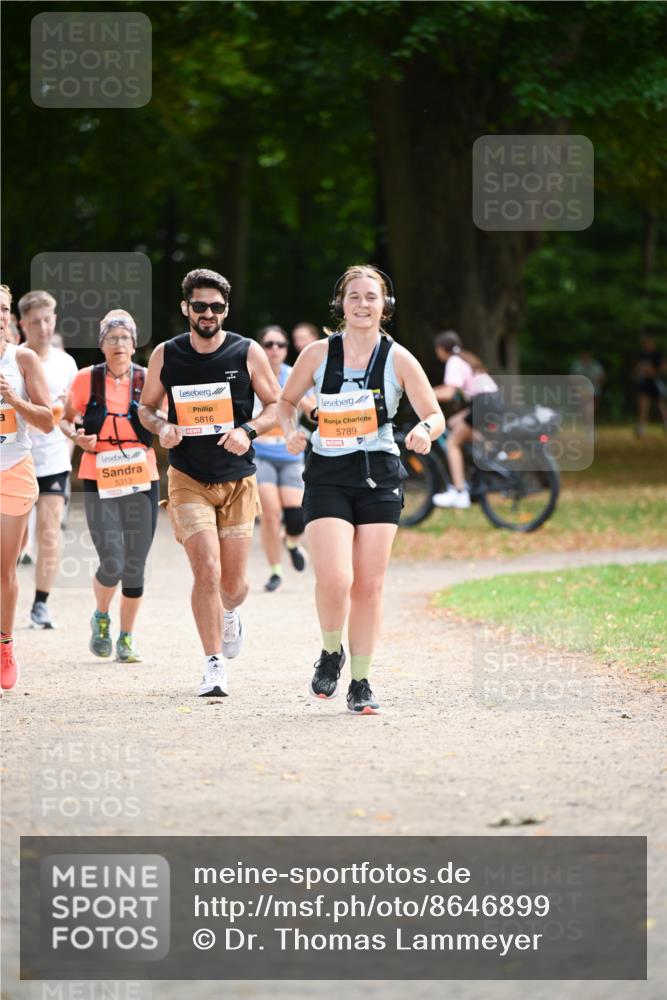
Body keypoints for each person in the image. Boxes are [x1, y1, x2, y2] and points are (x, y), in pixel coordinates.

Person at [277, 264, 444, 715]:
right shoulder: (317, 353)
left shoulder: (399, 358)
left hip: (379, 475)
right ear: (341, 303)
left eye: (372, 296)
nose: (363, 304)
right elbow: (286, 402)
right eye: (354, 296)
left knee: (369, 586)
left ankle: (361, 681)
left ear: (384, 305)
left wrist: (424, 431)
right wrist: (291, 430)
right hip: (328, 473)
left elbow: (434, 414)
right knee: (335, 579)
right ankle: (331, 651)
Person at [139, 268, 280, 697]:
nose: (208, 313)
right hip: (188, 477)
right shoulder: (166, 353)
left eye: (216, 307)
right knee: (206, 571)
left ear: (226, 310)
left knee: (232, 587)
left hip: (237, 479)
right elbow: (146, 408)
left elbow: (276, 406)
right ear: (186, 307)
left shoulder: (247, 350)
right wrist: (162, 426)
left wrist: (248, 431)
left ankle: (231, 612)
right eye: (199, 306)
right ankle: (213, 664)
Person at [62, 309, 159, 663]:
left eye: (125, 337)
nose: (119, 343)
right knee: (113, 561)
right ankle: (101, 616)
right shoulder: (85, 378)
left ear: (134, 344)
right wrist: (77, 436)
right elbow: (64, 418)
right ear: (102, 345)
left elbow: (165, 416)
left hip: (141, 476)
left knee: (135, 564)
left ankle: (127, 637)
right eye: (112, 338)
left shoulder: (148, 379)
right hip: (98, 473)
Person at [0, 284, 54, 692]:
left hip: (13, 469)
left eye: (3, 309)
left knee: (4, 568)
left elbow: (48, 421)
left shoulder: (22, 359)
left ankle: (4, 646)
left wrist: (12, 400)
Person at [17, 290, 78, 628]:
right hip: (17, 460)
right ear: (22, 324)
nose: (43, 327)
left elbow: (70, 416)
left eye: (48, 320)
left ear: (55, 320)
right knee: (16, 542)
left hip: (54, 461)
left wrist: (74, 435)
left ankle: (40, 605)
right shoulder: (13, 359)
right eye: (36, 321)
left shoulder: (66, 363)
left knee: (49, 534)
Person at [253, 325, 315, 591]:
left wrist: (322, 414)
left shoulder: (293, 375)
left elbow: (310, 407)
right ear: (260, 348)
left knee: (296, 518)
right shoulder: (251, 375)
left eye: (280, 344)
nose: (275, 349)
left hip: (289, 453)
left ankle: (291, 542)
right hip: (260, 453)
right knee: (271, 515)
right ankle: (275, 571)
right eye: (269, 344)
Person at [431, 330, 498, 509]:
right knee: (453, 422)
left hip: (482, 402)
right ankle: (490, 449)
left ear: (441, 349)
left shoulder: (454, 362)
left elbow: (448, 393)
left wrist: (423, 394)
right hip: (490, 400)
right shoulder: (466, 358)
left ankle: (460, 492)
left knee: (452, 443)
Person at [633, 335, 667, 437]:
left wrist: (653, 372)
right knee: (643, 405)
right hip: (645, 383)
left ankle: (665, 423)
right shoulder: (642, 355)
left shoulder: (657, 355)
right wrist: (636, 373)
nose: (647, 345)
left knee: (661, 404)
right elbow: (637, 368)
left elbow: (664, 368)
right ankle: (641, 427)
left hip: (655, 382)